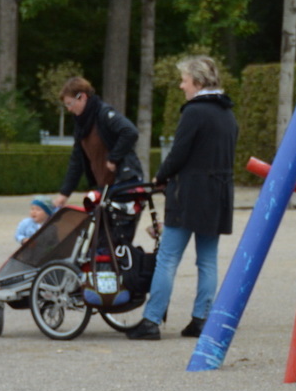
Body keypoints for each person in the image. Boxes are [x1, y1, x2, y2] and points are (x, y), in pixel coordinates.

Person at [133, 55, 237, 340]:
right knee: (207, 261)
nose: (181, 86)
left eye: (185, 80)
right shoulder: (228, 113)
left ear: (198, 82)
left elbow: (178, 153)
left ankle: (151, 321)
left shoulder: (194, 112)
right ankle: (201, 320)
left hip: (189, 195)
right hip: (218, 195)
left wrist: (160, 177)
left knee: (167, 258)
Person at [57, 76, 143, 204]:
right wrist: (65, 193)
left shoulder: (104, 114)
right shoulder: (81, 125)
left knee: (117, 223)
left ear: (83, 97)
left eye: (70, 103)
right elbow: (77, 159)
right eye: (66, 105)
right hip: (104, 186)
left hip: (124, 182)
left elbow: (130, 132)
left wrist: (114, 158)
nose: (69, 109)